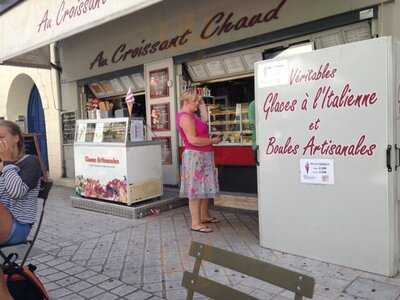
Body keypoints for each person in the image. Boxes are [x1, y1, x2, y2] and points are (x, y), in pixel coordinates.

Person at [0, 120, 42, 300]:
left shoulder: (30, 162)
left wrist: (8, 162)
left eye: (1, 137)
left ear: (16, 138)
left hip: (18, 225)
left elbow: (16, 192)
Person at [177, 91, 221, 233]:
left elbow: (205, 121)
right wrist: (212, 141)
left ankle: (204, 216)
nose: (197, 103)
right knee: (196, 189)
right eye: (195, 101)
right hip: (195, 156)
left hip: (203, 154)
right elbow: (193, 140)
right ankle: (195, 223)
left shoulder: (192, 115)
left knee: (204, 187)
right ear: (186, 102)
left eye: (198, 101)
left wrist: (202, 105)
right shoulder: (185, 118)